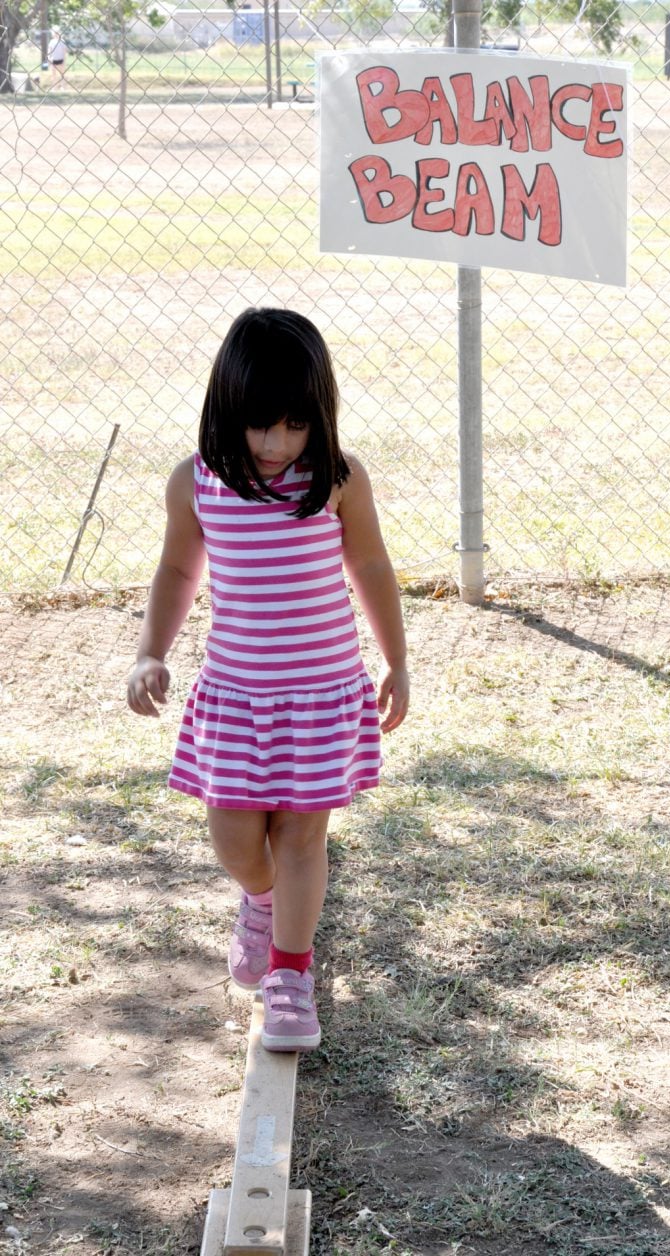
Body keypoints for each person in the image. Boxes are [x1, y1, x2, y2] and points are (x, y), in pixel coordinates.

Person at [127, 308, 409, 1053]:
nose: (276, 445)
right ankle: (259, 903)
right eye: (259, 426)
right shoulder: (199, 481)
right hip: (237, 699)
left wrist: (397, 660)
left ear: (319, 417)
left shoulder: (338, 480)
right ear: (227, 410)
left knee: (301, 840)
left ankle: (291, 973)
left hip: (321, 699)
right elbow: (180, 569)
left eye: (293, 426)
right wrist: (151, 649)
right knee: (234, 835)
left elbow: (372, 567)